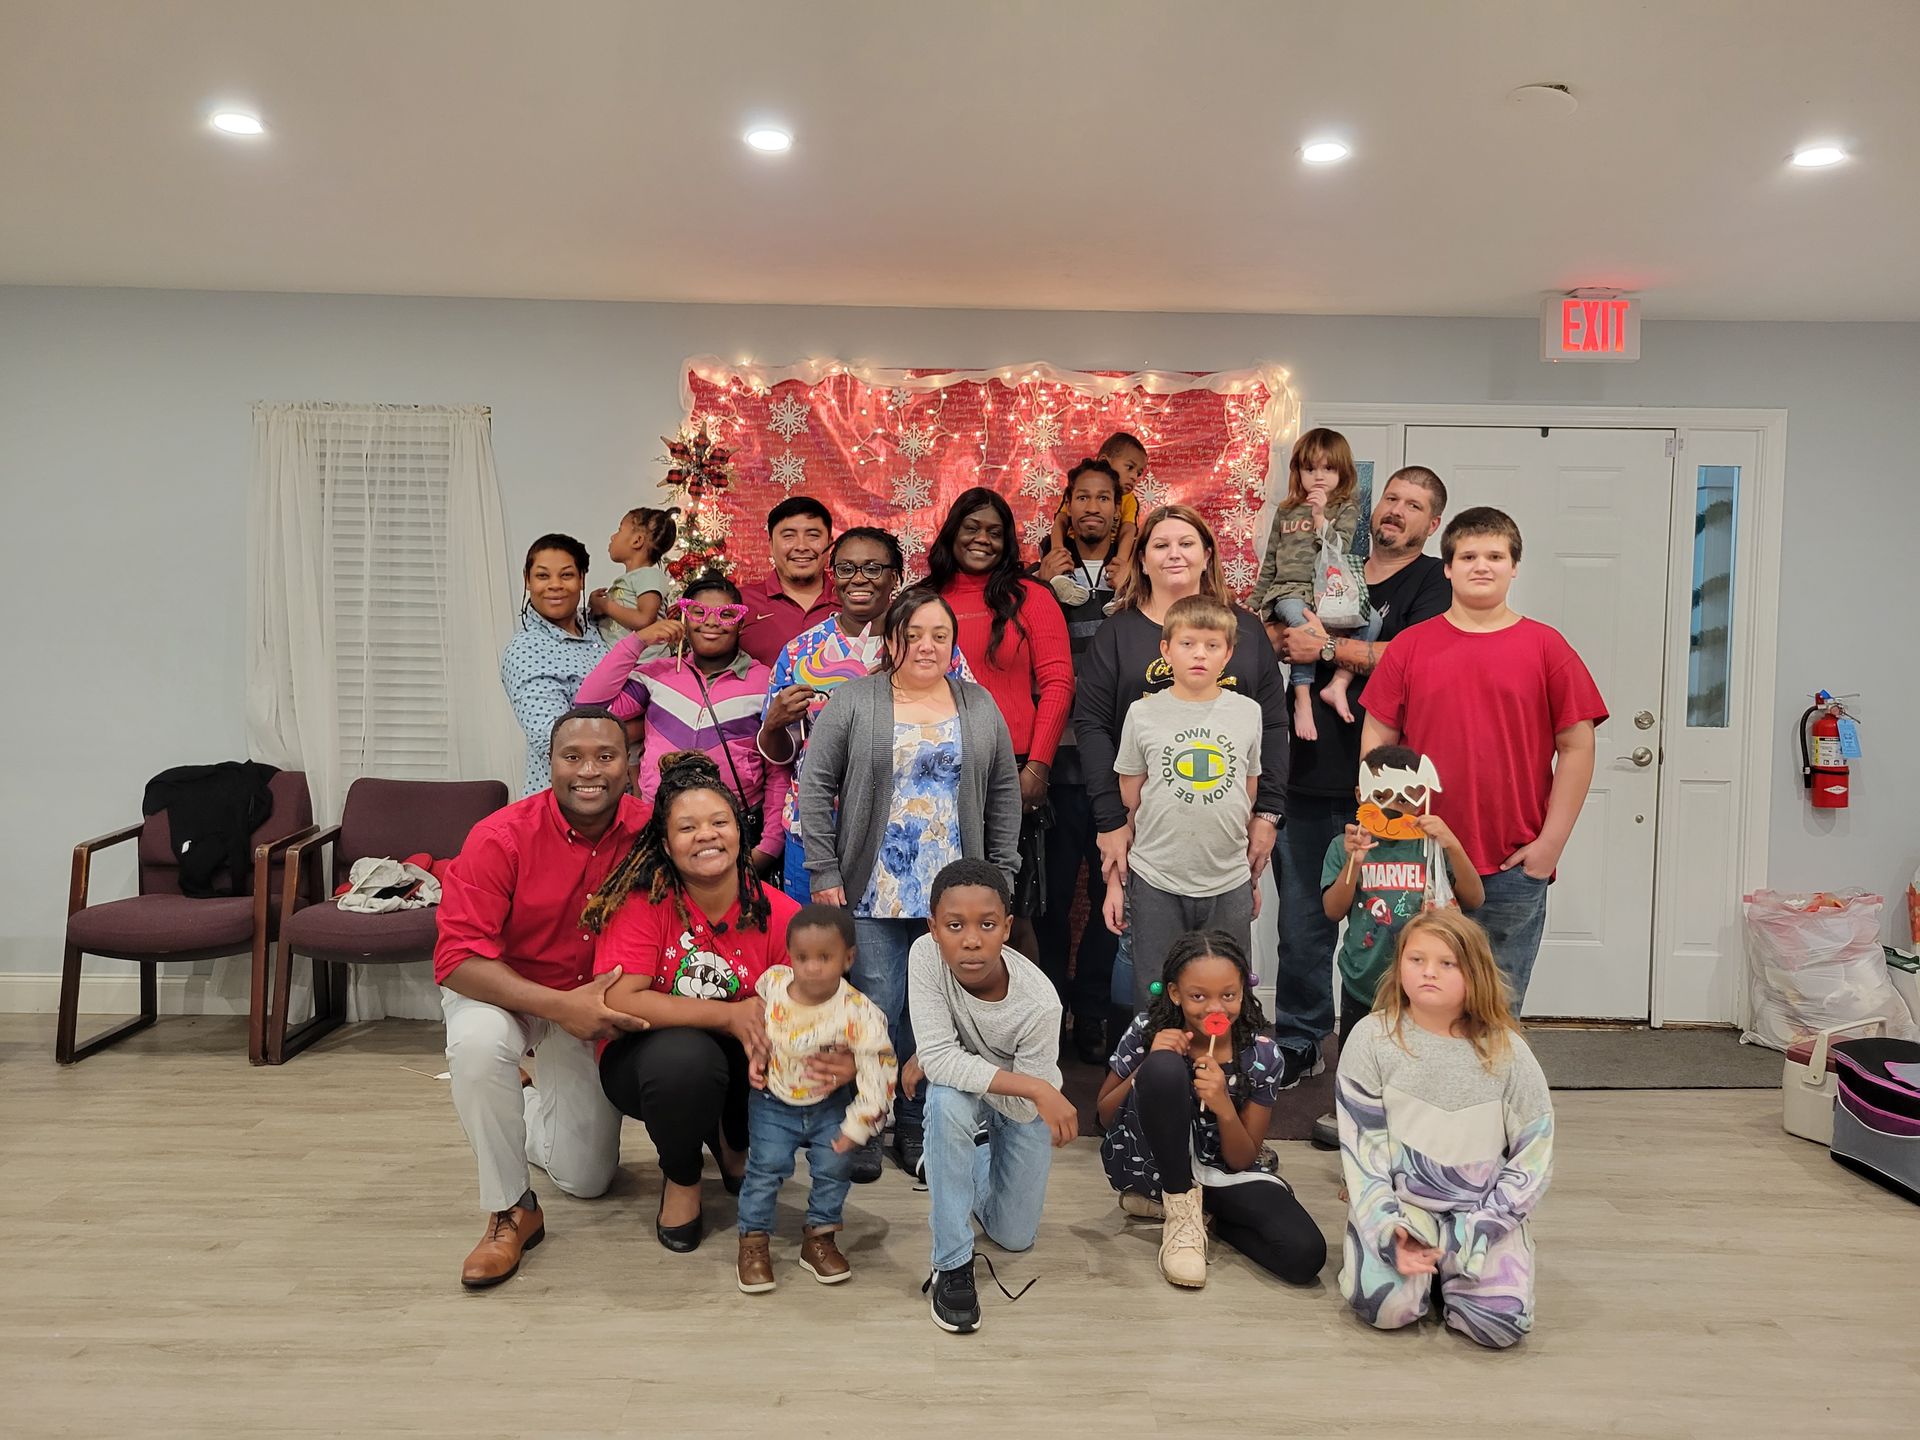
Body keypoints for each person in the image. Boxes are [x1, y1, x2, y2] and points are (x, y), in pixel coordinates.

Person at [798, 587, 1021, 1182]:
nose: (926, 646)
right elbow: (815, 785)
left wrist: (1001, 876)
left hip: (956, 896)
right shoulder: (855, 700)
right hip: (874, 886)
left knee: (934, 1012)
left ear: (953, 644)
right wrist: (823, 869)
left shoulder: (977, 703)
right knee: (878, 1003)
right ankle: (870, 1118)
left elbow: (1004, 790)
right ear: (891, 639)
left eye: (939, 635)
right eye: (912, 634)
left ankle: (918, 1124)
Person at [584, 751, 829, 1254]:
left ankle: (734, 1141)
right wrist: (728, 1015)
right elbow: (620, 1000)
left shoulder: (780, 913)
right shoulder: (642, 905)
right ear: (665, 844)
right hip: (648, 1060)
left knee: (787, 1045)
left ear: (739, 831)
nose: (706, 835)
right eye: (687, 827)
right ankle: (682, 1177)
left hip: (739, 1058)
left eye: (719, 822)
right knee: (687, 1058)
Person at [434, 706, 645, 1290]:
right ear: (549, 763)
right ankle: (511, 1209)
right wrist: (559, 1007)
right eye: (572, 757)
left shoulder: (652, 832)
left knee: (587, 1180)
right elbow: (456, 961)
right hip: (505, 992)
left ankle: (521, 1098)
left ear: (629, 765)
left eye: (606, 757)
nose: (589, 771)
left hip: (591, 1006)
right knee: (477, 1047)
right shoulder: (499, 836)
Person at [1360, 506, 1607, 1002]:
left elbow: (1578, 746)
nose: (1481, 566)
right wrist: (1385, 826)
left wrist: (1550, 845)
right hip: (1420, 855)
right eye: (1468, 556)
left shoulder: (1546, 647)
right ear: (1447, 568)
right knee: (1416, 1002)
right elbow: (1378, 738)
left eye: (1495, 556)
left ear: (1514, 567)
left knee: (1497, 1007)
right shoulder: (1410, 646)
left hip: (1512, 862)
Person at [1266, 466, 1451, 1088]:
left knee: (1386, 928)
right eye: (1391, 498)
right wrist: (1282, 635)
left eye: (1414, 505)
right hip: (1303, 777)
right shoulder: (1332, 560)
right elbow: (1277, 629)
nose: (1397, 510)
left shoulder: (1432, 582)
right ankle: (1300, 1039)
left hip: (1390, 795)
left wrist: (1323, 649)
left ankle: (1378, 1046)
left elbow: (1413, 659)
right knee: (1302, 927)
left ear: (1433, 523)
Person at [1074, 506, 1289, 1026]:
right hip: (1144, 829)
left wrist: (1268, 813)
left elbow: (1273, 726)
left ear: (1207, 555)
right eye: (1161, 544)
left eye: (1186, 543)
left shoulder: (1244, 629)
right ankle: (1143, 1058)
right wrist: (1110, 820)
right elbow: (1092, 726)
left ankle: (1220, 1063)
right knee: (1148, 966)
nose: (1174, 554)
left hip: (1222, 839)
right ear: (1142, 559)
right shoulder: (1118, 633)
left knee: (1219, 969)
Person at [1336, 909, 1554, 1349]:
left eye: (1447, 963)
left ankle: (1454, 1270)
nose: (1428, 972)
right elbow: (1362, 1151)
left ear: (1475, 973)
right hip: (1403, 1207)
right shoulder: (1371, 1039)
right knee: (1386, 1309)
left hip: (1479, 1212)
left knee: (1499, 1327)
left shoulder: (1508, 1050)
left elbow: (1535, 1155)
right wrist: (1386, 1229)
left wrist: (1485, 1226)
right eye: (1416, 960)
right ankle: (1424, 1273)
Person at [1097, 931, 1326, 1289]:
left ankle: (1202, 1216)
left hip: (1222, 1176)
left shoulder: (1263, 1055)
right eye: (1198, 996)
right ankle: (1178, 1210)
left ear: (1244, 991)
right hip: (1153, 1167)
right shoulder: (1148, 1030)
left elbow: (1241, 1159)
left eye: (1228, 995)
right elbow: (1105, 1116)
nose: (1216, 1008)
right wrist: (1147, 1067)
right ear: (1175, 994)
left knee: (1304, 1255)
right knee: (1163, 1068)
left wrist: (1224, 1106)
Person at [757, 527, 971, 902]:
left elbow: (968, 729)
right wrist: (773, 724)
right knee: (817, 937)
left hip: (905, 829)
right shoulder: (800, 652)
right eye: (846, 568)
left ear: (896, 577)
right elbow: (783, 755)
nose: (858, 578)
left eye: (873, 568)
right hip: (817, 831)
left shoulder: (929, 648)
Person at [909, 859, 1075, 1335]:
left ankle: (957, 1156)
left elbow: (1021, 1106)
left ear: (1006, 928)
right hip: (1002, 1090)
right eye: (954, 925)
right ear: (933, 929)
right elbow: (939, 1063)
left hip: (1017, 1106)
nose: (971, 940)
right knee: (945, 1100)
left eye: (986, 925)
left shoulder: (1040, 1003)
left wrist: (941, 1057)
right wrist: (1038, 1086)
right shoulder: (924, 955)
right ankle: (952, 1263)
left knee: (1014, 1235)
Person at [1104, 595, 1264, 1008]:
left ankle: (1222, 1053)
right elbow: (1129, 801)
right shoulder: (1142, 714)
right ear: (1166, 649)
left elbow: (1247, 793)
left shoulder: (1248, 712)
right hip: (1156, 877)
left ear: (1228, 653)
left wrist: (1251, 880)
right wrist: (1116, 882)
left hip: (1227, 879)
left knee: (1226, 993)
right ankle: (1156, 1053)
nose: (1199, 654)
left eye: (1212, 645)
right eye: (1188, 643)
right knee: (1156, 993)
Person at [574, 571, 789, 877]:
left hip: (735, 830)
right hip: (660, 829)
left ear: (741, 623)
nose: (711, 622)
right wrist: (639, 640)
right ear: (685, 619)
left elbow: (777, 769)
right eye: (698, 612)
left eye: (726, 614)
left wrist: (769, 846)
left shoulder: (764, 682)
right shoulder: (657, 675)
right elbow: (588, 709)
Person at [736, 904, 898, 1294]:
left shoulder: (858, 1012)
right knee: (765, 1168)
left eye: (825, 957)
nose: (811, 968)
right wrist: (758, 1054)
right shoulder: (775, 983)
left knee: (834, 1168)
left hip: (828, 1104)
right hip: (772, 1101)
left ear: (848, 958)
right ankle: (753, 1240)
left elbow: (879, 1068)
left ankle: (820, 1238)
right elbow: (760, 1017)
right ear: (790, 956)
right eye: (802, 957)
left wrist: (860, 1124)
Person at [1030, 457, 1124, 1062]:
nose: (1093, 507)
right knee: (1053, 899)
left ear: (1118, 509)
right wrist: (1041, 583)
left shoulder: (1135, 574)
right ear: (1068, 507)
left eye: (1103, 498)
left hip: (1118, 766)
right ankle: (1052, 1010)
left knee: (1115, 896)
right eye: (1082, 497)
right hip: (1058, 764)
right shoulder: (1041, 574)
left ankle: (1092, 1011)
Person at [1321, 744, 1484, 1059]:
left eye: (1404, 798)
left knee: (1418, 1060)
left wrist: (1453, 844)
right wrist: (1354, 861)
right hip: (1363, 981)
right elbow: (1332, 910)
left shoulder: (1433, 846)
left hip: (1423, 985)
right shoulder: (1344, 846)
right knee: (1359, 1061)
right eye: (1381, 796)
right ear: (1361, 795)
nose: (1392, 808)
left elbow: (1475, 898)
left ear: (1421, 797)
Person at [925, 485, 1074, 820]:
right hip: (932, 766)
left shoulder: (1031, 597)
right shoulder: (923, 600)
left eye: (994, 533)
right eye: (972, 528)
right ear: (953, 532)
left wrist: (1038, 767)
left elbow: (1058, 684)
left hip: (1013, 766)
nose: (982, 539)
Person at [1252, 428, 1376, 743]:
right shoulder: (1286, 510)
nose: (1318, 476)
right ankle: (1302, 699)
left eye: (1328, 468)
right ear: (1298, 471)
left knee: (1373, 620)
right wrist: (1254, 602)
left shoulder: (1346, 508)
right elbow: (1270, 560)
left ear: (1342, 472)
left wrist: (1320, 517)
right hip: (1288, 591)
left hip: (1327, 593)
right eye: (1310, 469)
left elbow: (1340, 549)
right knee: (1303, 627)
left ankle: (1339, 683)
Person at [1043, 431, 1148, 593]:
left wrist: (1120, 563)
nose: (1134, 477)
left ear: (1117, 507)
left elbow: (1128, 530)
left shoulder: (1130, 500)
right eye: (1129, 467)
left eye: (1104, 498)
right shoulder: (1044, 568)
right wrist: (1057, 551)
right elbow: (1060, 522)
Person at [739, 496, 837, 666]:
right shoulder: (740, 602)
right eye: (789, 536)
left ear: (830, 544)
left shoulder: (850, 603)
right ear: (771, 545)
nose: (801, 546)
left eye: (813, 535)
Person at [588, 505, 678, 645]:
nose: (613, 537)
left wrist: (606, 606)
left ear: (637, 541)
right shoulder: (630, 579)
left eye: (619, 530)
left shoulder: (649, 576)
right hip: (618, 654)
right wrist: (596, 608)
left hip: (642, 658)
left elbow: (644, 619)